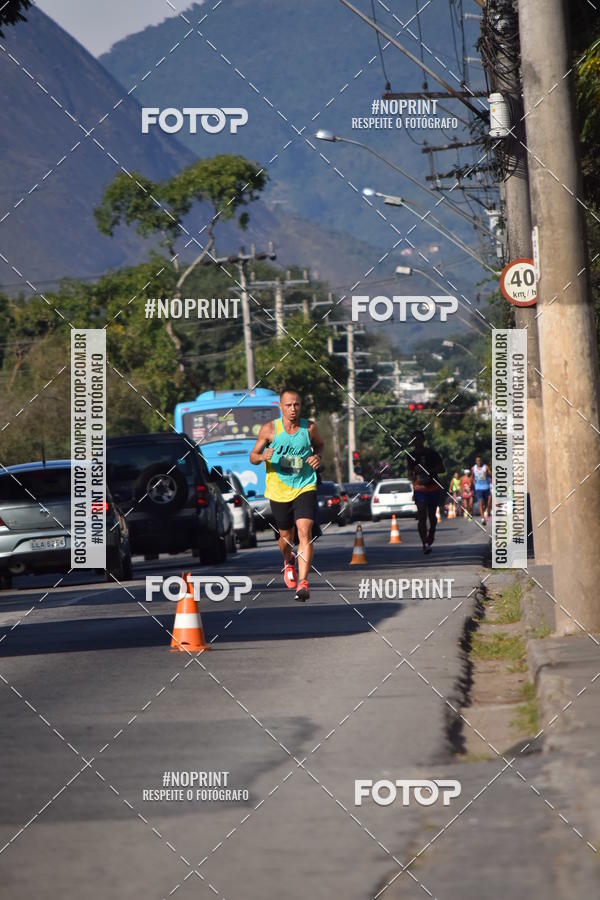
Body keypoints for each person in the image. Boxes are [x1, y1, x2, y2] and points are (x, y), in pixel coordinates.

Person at [249, 388, 324, 602]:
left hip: (305, 485)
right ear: (280, 407)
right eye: (289, 405)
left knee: (304, 532)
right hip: (278, 490)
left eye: (297, 405)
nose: (293, 409)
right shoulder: (270, 429)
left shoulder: (309, 428)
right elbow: (252, 456)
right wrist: (263, 456)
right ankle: (287, 560)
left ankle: (303, 582)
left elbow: (320, 445)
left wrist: (317, 456)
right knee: (285, 537)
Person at [406, 430, 445, 554]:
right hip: (419, 489)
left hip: (433, 487)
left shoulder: (432, 453)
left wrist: (431, 470)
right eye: (414, 439)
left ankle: (432, 531)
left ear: (423, 440)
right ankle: (425, 543)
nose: (417, 442)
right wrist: (415, 472)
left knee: (432, 516)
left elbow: (442, 468)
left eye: (419, 439)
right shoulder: (410, 455)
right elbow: (409, 473)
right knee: (422, 515)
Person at [472, 456, 492, 526]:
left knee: (488, 502)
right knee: (481, 503)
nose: (478, 462)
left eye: (479, 460)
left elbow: (491, 474)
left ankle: (486, 511)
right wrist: (474, 485)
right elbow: (472, 477)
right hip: (478, 488)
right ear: (476, 461)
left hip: (486, 487)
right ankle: (483, 518)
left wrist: (489, 474)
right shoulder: (473, 468)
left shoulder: (485, 467)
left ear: (481, 461)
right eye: (477, 460)